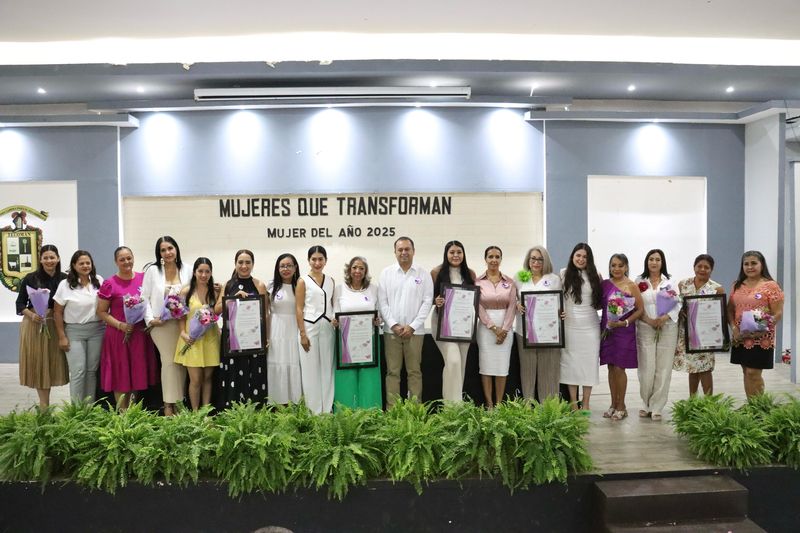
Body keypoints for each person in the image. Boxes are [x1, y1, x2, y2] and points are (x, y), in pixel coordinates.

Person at [96, 246, 158, 411]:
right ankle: (122, 412)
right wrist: (120, 325)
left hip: (138, 334)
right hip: (118, 335)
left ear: (133, 258)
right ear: (116, 262)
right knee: (120, 374)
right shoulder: (109, 283)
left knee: (136, 372)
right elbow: (101, 312)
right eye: (122, 259)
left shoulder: (143, 278)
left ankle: (132, 411)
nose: (126, 262)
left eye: (129, 258)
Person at [378, 236, 434, 407]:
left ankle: (415, 411)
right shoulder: (386, 273)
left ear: (413, 251)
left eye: (407, 249)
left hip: (415, 333)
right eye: (400, 249)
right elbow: (382, 302)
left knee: (414, 372)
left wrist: (412, 326)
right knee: (393, 373)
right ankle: (392, 411)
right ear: (395, 252)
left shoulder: (423, 274)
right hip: (391, 332)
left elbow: (427, 302)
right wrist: (394, 325)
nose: (404, 252)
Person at [142, 236, 191, 416]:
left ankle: (179, 402)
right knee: (169, 361)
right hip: (161, 325)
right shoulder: (153, 271)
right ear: (159, 253)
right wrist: (150, 320)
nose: (167, 252)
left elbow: (196, 290)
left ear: (176, 249)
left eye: (170, 248)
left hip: (182, 324)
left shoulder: (187, 269)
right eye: (163, 250)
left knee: (181, 362)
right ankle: (169, 404)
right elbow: (144, 298)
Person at [15, 243, 68, 409]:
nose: (49, 260)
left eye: (52, 257)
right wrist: (32, 315)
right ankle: (44, 407)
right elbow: (20, 303)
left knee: (52, 363)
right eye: (46, 258)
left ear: (58, 258)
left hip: (55, 323)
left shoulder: (64, 279)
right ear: (40, 259)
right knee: (39, 364)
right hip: (34, 324)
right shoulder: (31, 278)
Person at [216, 249, 270, 409]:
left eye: (248, 262)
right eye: (240, 262)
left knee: (253, 375)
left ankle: (255, 412)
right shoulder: (228, 284)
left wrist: (266, 337)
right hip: (232, 340)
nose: (244, 266)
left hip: (253, 340)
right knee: (233, 374)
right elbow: (216, 309)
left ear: (253, 264)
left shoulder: (259, 285)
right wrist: (232, 299)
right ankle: (232, 412)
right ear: (235, 264)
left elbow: (265, 313)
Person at [727, 250, 784, 398]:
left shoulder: (771, 286)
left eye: (754, 263)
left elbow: (777, 313)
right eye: (746, 264)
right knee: (746, 371)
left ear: (762, 264)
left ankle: (760, 408)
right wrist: (734, 328)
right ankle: (752, 407)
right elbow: (730, 310)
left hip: (761, 336)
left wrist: (761, 328)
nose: (749, 267)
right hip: (740, 336)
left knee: (754, 372)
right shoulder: (736, 285)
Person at [634, 249, 680, 421]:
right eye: (651, 259)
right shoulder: (639, 281)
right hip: (645, 327)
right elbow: (635, 304)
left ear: (662, 262)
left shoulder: (671, 281)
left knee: (663, 368)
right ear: (647, 261)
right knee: (646, 368)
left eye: (658, 259)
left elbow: (678, 303)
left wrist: (664, 318)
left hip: (667, 328)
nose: (654, 262)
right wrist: (648, 320)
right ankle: (645, 403)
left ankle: (657, 406)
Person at [53, 250, 104, 403]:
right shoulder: (65, 285)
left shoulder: (99, 280)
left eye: (88, 263)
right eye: (81, 263)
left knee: (91, 371)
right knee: (78, 371)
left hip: (97, 331)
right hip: (74, 332)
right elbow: (57, 312)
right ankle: (76, 411)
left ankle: (88, 409)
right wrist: (62, 336)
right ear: (74, 266)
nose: (85, 265)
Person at [332, 256, 383, 409]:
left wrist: (377, 321)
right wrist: (334, 321)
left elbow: (379, 314)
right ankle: (346, 414)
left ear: (365, 271)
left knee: (369, 378)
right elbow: (334, 312)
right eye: (354, 267)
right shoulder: (339, 289)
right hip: (345, 342)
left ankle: (371, 413)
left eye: (361, 268)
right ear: (349, 270)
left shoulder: (374, 289)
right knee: (346, 379)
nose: (357, 271)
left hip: (369, 342)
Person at [514, 245, 562, 402]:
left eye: (540, 259)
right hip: (525, 332)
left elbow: (559, 303)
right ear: (528, 260)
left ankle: (548, 408)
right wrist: (517, 304)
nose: (536, 262)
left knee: (548, 371)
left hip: (548, 333)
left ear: (545, 261)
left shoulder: (554, 279)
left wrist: (560, 312)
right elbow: (513, 299)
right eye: (533, 258)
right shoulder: (520, 277)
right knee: (527, 371)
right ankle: (528, 405)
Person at [431, 241, 477, 403]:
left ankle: (453, 405)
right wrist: (436, 301)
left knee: (460, 365)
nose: (456, 255)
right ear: (446, 254)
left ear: (463, 254)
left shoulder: (470, 274)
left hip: (464, 325)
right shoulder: (436, 272)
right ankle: (453, 406)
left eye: (459, 252)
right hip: (443, 325)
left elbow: (473, 299)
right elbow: (431, 298)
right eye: (452, 252)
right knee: (453, 361)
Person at [599, 253, 643, 421]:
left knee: (619, 367)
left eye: (620, 265)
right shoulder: (604, 285)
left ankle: (622, 406)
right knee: (610, 367)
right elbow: (598, 304)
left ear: (626, 267)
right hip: (608, 330)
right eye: (613, 265)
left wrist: (624, 323)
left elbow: (640, 309)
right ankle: (612, 403)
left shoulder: (631, 285)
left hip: (624, 331)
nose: (616, 268)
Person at [560, 243, 602, 414]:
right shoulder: (563, 273)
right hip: (570, 326)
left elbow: (599, 302)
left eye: (584, 257)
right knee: (571, 364)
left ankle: (586, 403)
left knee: (589, 363)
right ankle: (573, 403)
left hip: (591, 326)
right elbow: (556, 298)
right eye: (578, 255)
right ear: (572, 256)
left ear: (589, 259)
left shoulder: (596, 276)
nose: (581, 259)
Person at [674, 254, 724, 396]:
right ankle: (693, 400)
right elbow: (677, 305)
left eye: (706, 267)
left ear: (711, 269)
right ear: (694, 267)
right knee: (692, 367)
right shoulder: (683, 284)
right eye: (699, 266)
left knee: (705, 368)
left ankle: (709, 402)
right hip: (688, 333)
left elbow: (720, 314)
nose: (702, 269)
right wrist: (681, 312)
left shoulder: (717, 288)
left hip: (707, 335)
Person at [174, 257, 221, 411]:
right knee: (195, 379)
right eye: (200, 271)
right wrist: (182, 333)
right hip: (191, 340)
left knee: (207, 378)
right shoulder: (186, 291)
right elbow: (179, 315)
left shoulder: (216, 291)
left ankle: (205, 413)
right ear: (194, 272)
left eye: (207, 271)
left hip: (210, 339)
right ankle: (195, 414)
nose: (203, 275)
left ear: (211, 273)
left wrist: (221, 293)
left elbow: (219, 312)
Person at [295, 245, 336, 414]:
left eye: (321, 259)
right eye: (314, 259)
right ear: (309, 261)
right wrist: (303, 334)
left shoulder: (331, 280)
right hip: (309, 327)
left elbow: (333, 305)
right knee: (310, 371)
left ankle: (327, 411)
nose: (317, 263)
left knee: (327, 369)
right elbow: (298, 308)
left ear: (325, 260)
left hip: (327, 327)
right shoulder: (302, 281)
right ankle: (313, 412)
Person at [476, 245, 517, 409]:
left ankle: (499, 404)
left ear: (501, 259)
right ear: (485, 259)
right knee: (486, 366)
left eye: (497, 256)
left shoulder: (510, 282)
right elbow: (478, 306)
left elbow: (513, 306)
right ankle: (489, 403)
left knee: (501, 367)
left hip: (506, 329)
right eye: (490, 256)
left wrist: (504, 330)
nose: (494, 260)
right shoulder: (478, 282)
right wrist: (494, 328)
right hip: (486, 330)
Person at [267, 253, 303, 405]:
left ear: (295, 268)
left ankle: (295, 403)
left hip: (294, 329)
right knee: (277, 363)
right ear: (277, 268)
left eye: (289, 265)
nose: (286, 269)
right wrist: (267, 336)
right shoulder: (270, 287)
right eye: (282, 266)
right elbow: (266, 313)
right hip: (276, 330)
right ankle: (276, 403)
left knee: (293, 362)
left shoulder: (301, 286)